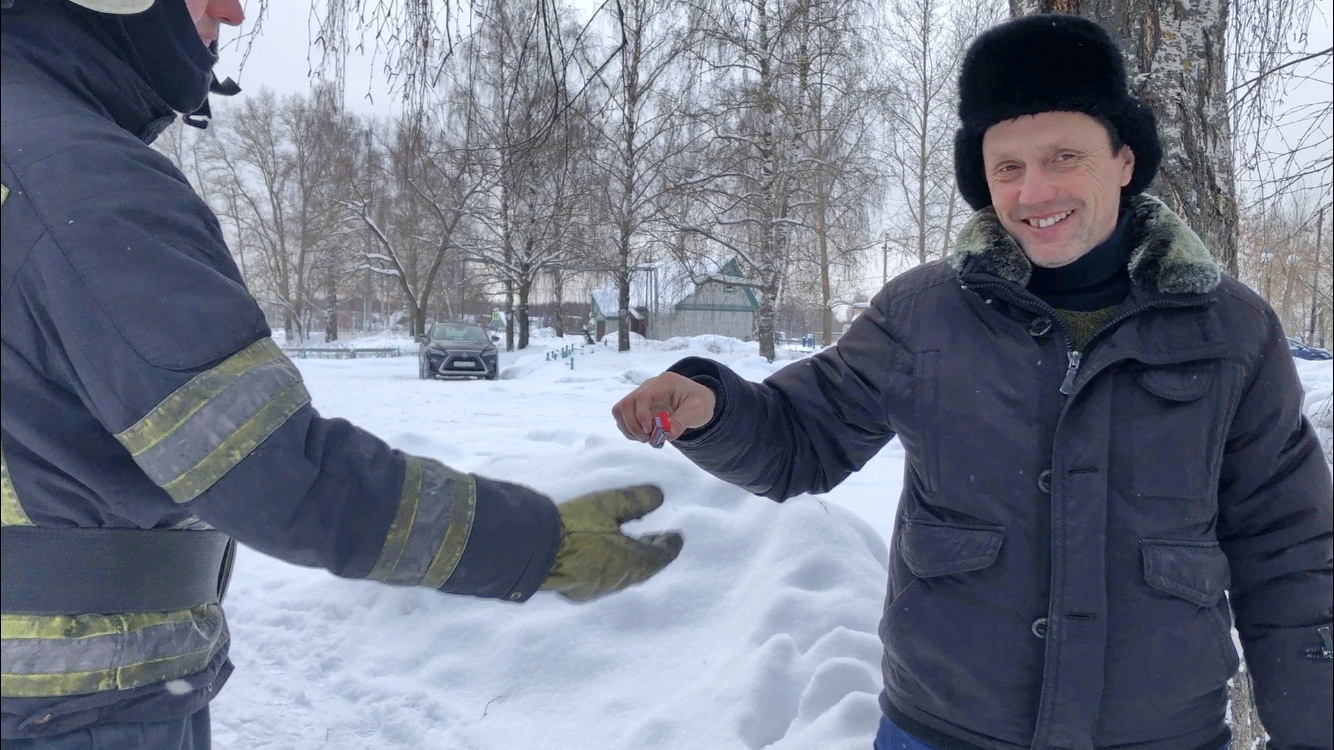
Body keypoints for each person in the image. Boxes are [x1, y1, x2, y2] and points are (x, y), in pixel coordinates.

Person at [614, 15, 1332, 750]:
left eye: (1064, 156)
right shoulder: (922, 313)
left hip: (1161, 735)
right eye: (1008, 167)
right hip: (943, 729)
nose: (1035, 189)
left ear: (1123, 159)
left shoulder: (1229, 329)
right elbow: (801, 440)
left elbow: (1291, 549)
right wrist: (712, 406)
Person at [0, 0, 683, 746]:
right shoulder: (79, 183)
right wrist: (538, 544)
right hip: (68, 708)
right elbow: (274, 474)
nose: (228, 12)